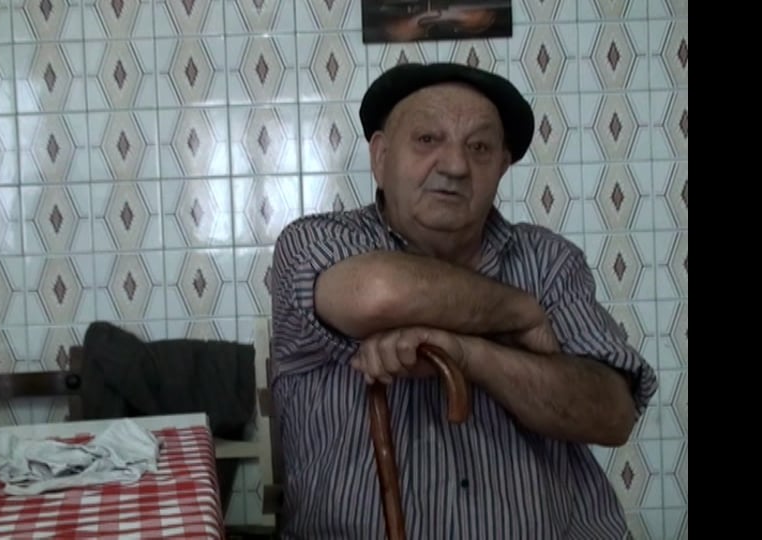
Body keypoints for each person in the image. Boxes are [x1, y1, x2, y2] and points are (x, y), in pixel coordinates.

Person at [269, 62, 659, 539]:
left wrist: (469, 354)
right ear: (381, 156)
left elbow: (613, 415)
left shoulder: (549, 261)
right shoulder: (317, 243)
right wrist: (519, 313)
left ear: (502, 166)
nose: (455, 166)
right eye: (427, 140)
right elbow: (380, 294)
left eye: (479, 147)